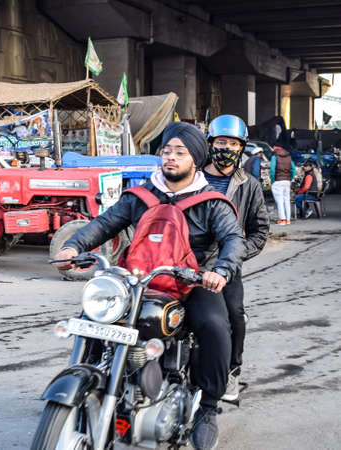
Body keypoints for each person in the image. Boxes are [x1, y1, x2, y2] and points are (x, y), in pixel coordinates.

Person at [55, 122, 246, 450]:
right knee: (93, 316)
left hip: (193, 281)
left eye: (180, 153)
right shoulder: (141, 195)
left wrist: (222, 270)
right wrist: (73, 246)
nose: (170, 158)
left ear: (195, 160)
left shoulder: (211, 201)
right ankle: (90, 381)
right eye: (166, 151)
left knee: (215, 327)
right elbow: (105, 223)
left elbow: (233, 239)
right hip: (140, 278)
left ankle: (208, 407)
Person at [204, 114, 270, 402]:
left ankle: (231, 372)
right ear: (210, 144)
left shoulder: (249, 185)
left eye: (233, 143)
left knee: (234, 316)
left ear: (242, 148)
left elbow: (260, 231)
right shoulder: (192, 177)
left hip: (227, 268)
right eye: (221, 142)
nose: (226, 148)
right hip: (188, 262)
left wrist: (233, 258)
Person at [270, 146, 296, 225]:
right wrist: (291, 178)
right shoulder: (289, 157)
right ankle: (288, 220)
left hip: (278, 181)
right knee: (287, 200)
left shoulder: (274, 157)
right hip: (287, 181)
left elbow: (272, 169)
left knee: (280, 201)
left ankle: (282, 220)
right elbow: (293, 169)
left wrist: (273, 180)